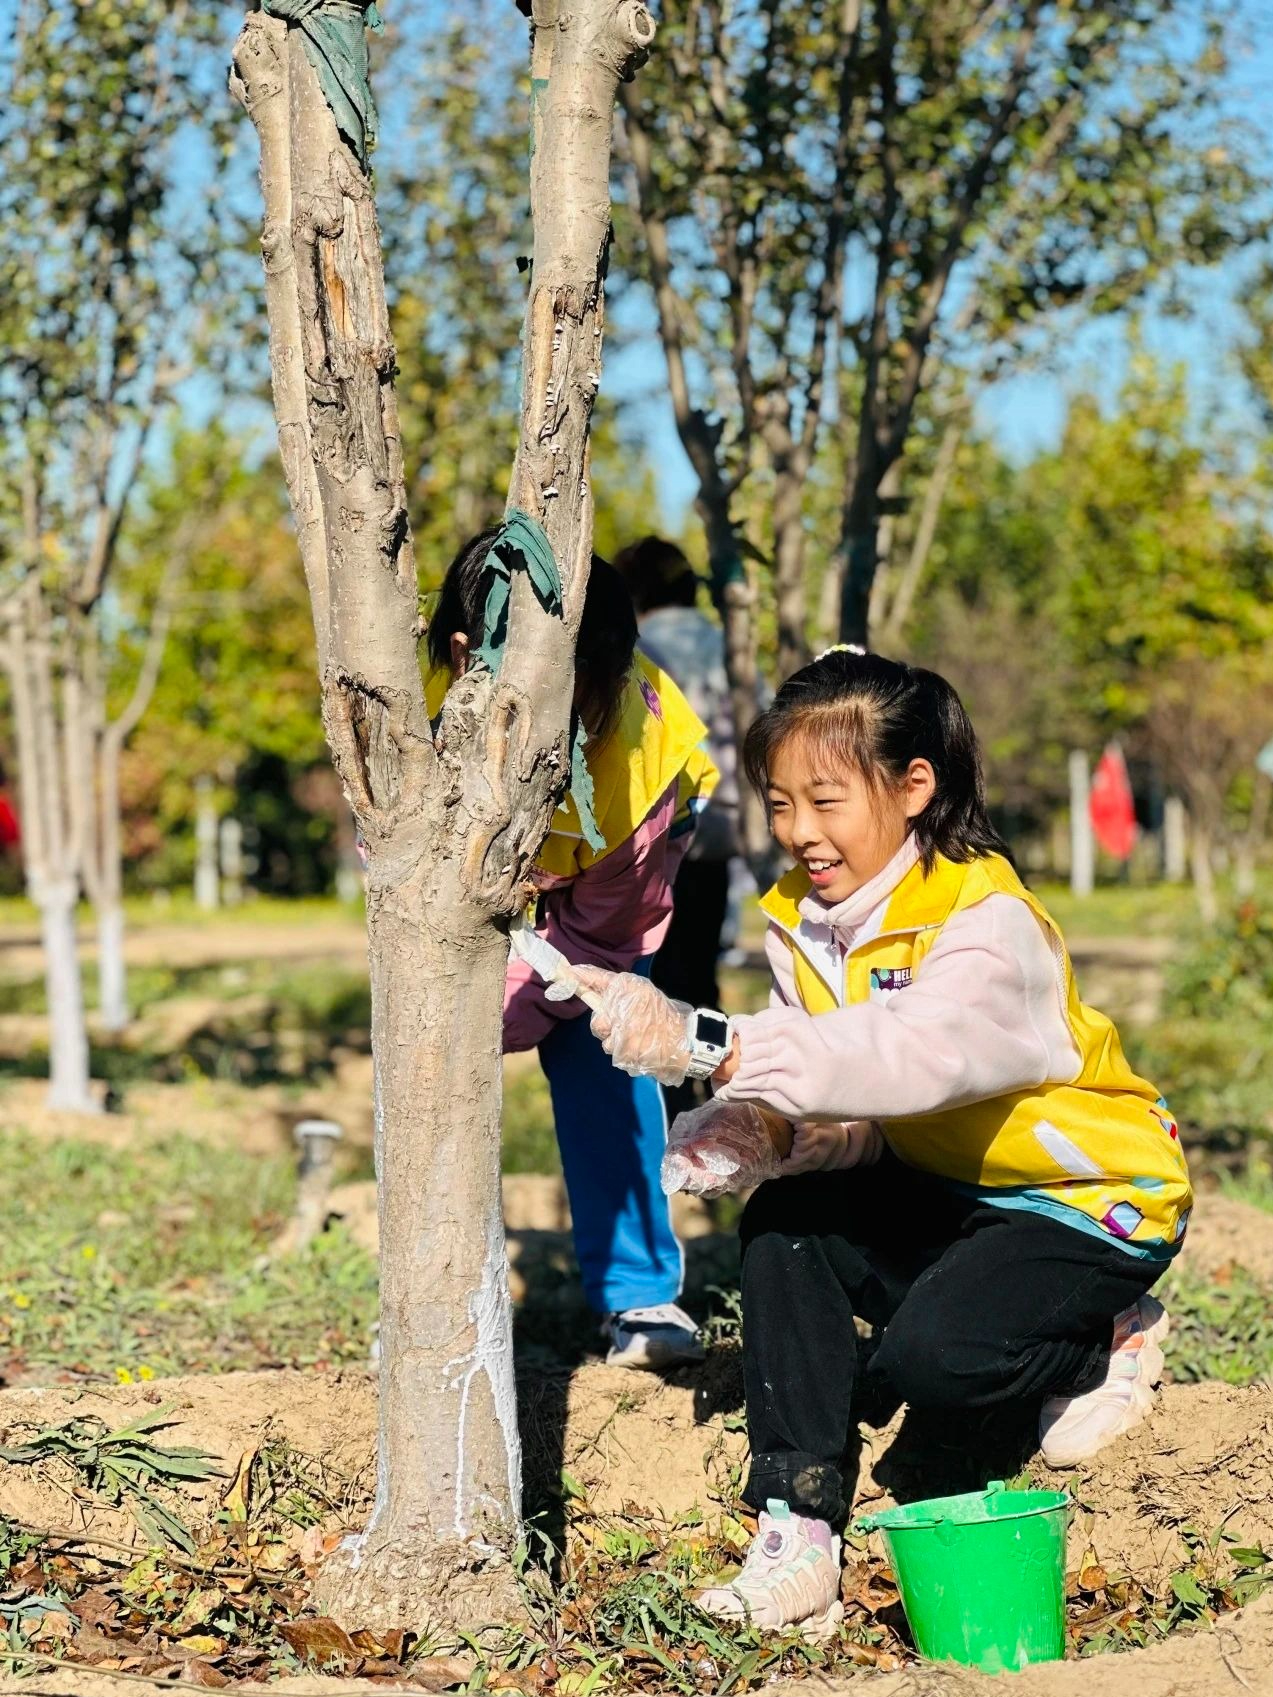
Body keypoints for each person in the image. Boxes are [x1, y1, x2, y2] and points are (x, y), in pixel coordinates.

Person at [559, 646, 1193, 1631]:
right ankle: (797, 1531)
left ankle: (1097, 1335)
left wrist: (708, 1044)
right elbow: (859, 1107)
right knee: (788, 1223)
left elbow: (908, 1056)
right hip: (946, 1184)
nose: (798, 833)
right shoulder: (802, 925)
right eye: (779, 804)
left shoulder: (985, 923)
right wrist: (763, 1132)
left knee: (928, 1365)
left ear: (911, 786)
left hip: (1081, 1201)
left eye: (825, 802)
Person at [424, 529, 720, 1369]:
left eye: (585, 714)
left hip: (605, 904)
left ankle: (639, 1292)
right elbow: (392, 847)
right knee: (434, 1067)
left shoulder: (636, 765)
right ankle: (437, 1295)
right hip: (496, 880)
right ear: (464, 656)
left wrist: (505, 1008)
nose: (570, 743)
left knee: (606, 1061)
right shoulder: (412, 703)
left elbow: (604, 939)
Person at [612, 538, 744, 1119]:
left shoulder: (644, 646)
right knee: (704, 969)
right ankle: (718, 1096)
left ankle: (672, 1102)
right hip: (724, 828)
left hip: (665, 832)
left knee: (662, 974)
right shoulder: (726, 646)